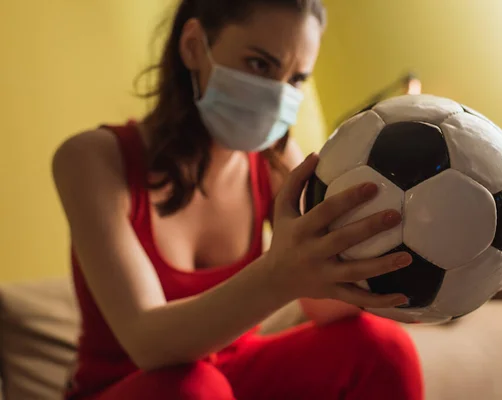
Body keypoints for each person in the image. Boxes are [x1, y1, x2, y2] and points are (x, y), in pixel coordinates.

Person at [52, 0, 424, 399]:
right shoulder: (91, 159)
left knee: (381, 349)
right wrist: (280, 276)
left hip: (229, 379)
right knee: (194, 388)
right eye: (260, 65)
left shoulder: (277, 162)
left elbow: (322, 306)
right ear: (193, 46)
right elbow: (147, 343)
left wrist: (407, 254)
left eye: (296, 79)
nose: (278, 96)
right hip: (137, 388)